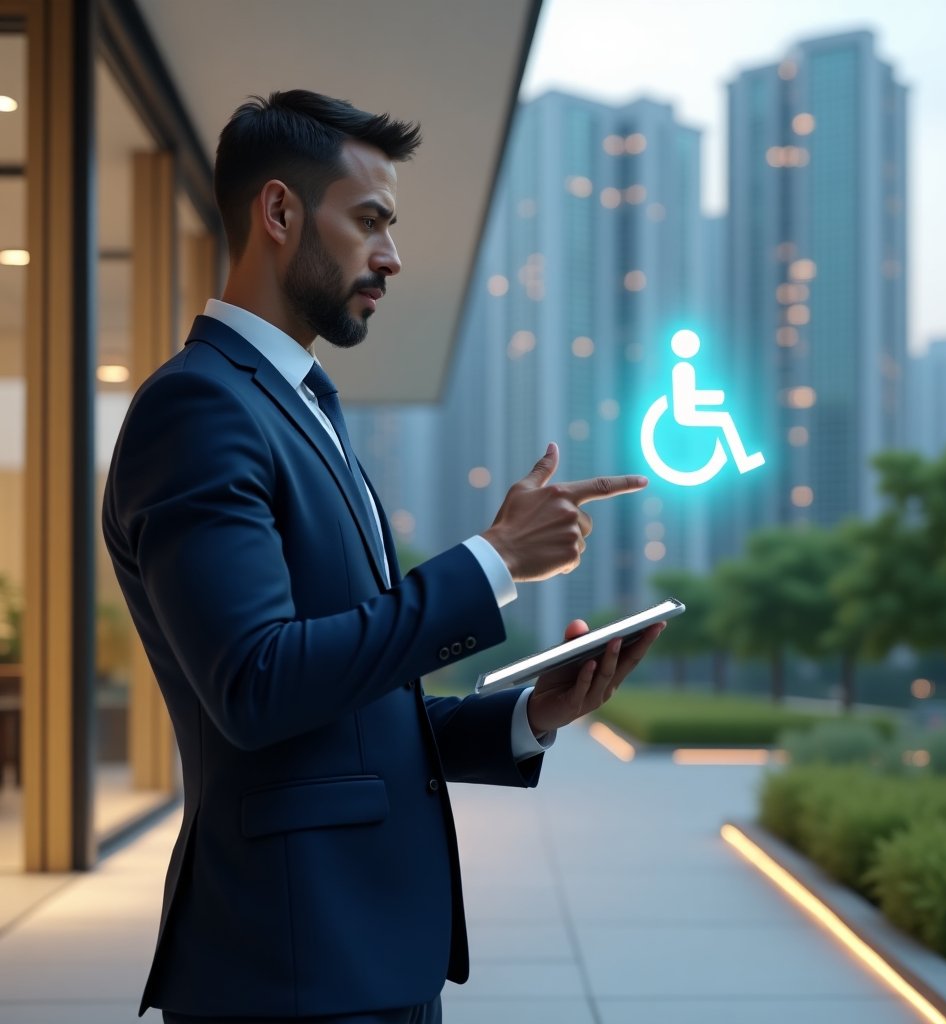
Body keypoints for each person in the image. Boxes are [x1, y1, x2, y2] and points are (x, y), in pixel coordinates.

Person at [102, 90, 665, 1024]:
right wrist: (491, 561)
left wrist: (527, 713)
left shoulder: (300, 408)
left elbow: (345, 713)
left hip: (358, 960)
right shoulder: (199, 409)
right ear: (279, 213)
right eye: (370, 221)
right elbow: (258, 684)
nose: (392, 256)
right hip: (292, 966)